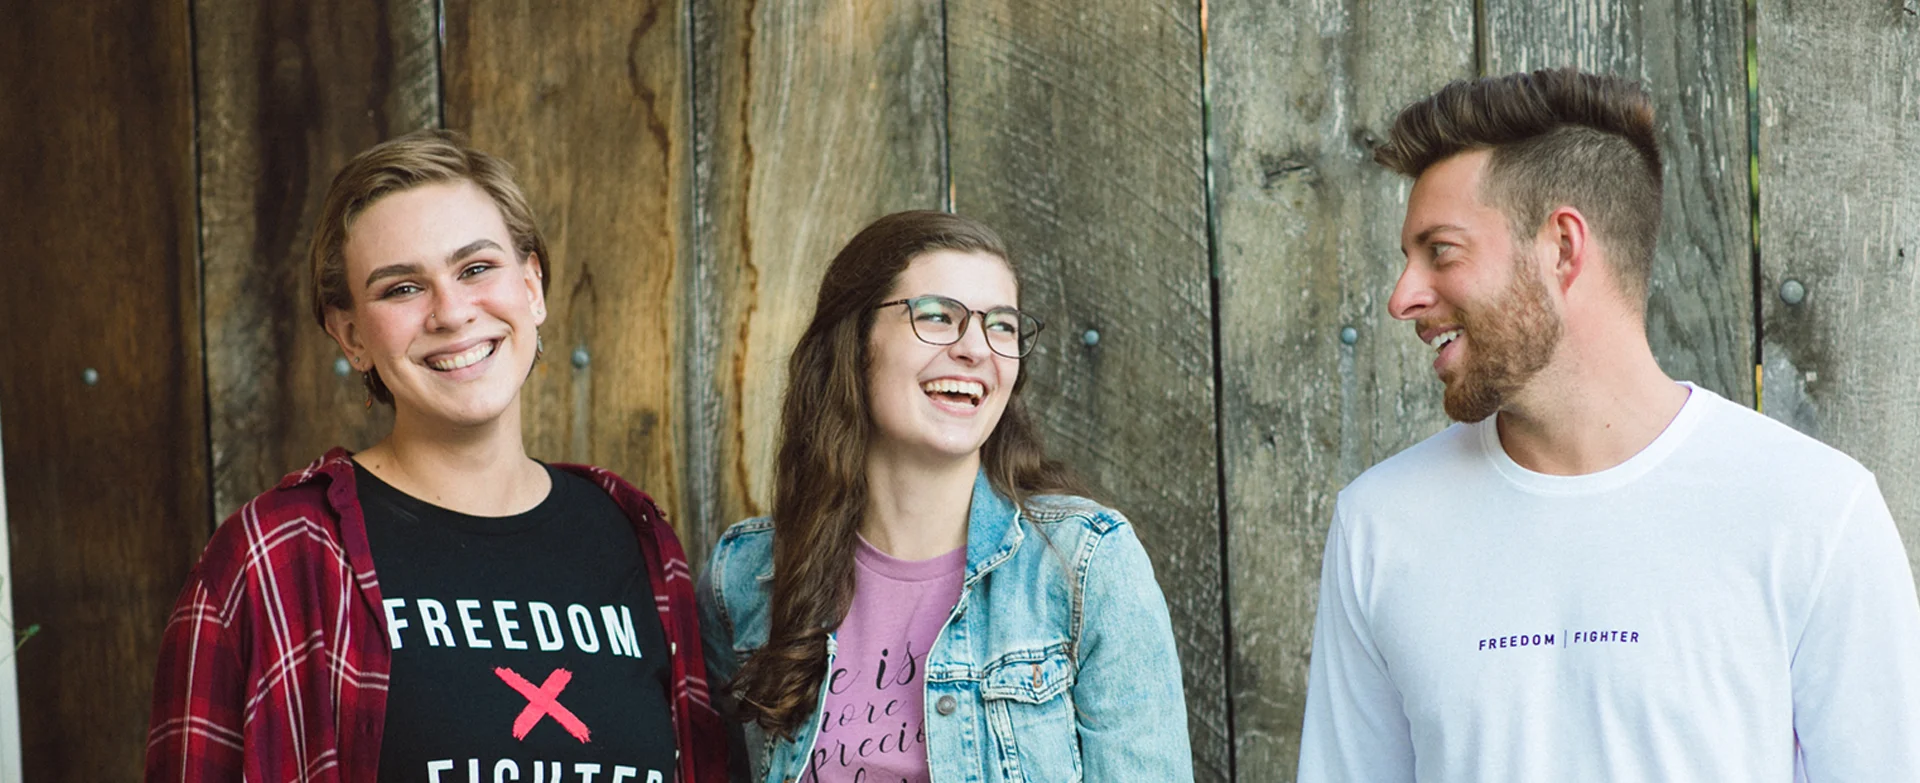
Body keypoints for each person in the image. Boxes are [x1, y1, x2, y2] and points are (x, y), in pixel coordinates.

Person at [1295, 67, 1920, 781]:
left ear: (1563, 247)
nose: (1402, 296)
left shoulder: (1814, 510)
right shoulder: (1379, 525)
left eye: (1441, 251)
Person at [145, 130, 726, 782]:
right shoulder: (276, 557)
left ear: (532, 287)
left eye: (476, 269)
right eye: (402, 288)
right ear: (351, 336)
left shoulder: (636, 539)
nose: (451, 312)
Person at [696, 210, 1193, 782]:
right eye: (937, 315)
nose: (976, 348)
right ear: (855, 343)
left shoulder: (1084, 565)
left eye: (1001, 325)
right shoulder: (745, 576)